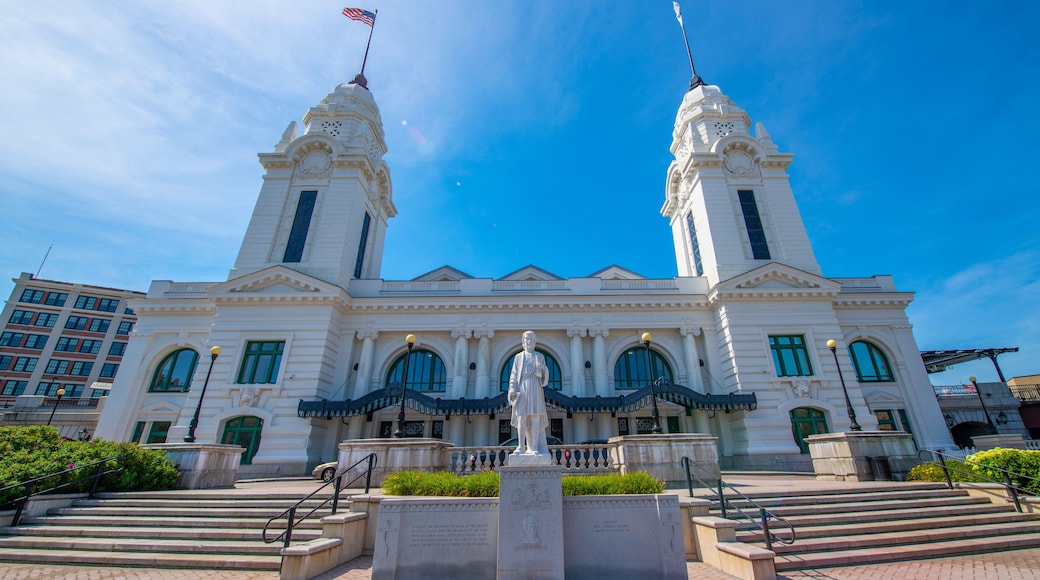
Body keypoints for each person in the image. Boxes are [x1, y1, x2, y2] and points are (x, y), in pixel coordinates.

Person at [508, 331, 550, 455]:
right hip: (522, 387)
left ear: (535, 342)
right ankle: (521, 446)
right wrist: (511, 388)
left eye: (531, 339)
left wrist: (542, 369)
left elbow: (544, 376)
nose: (529, 341)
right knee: (521, 417)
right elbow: (514, 375)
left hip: (536, 387)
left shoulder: (540, 356)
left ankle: (535, 447)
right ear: (522, 342)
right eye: (526, 339)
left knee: (535, 417)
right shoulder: (518, 357)